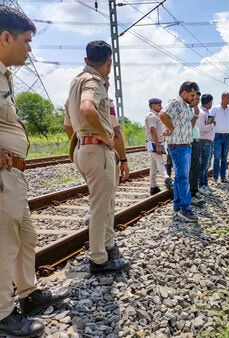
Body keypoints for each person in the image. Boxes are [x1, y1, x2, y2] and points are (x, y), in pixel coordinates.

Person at [0, 6, 70, 336]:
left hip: (12, 176)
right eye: (27, 41)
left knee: (24, 237)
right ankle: (3, 316)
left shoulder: (3, 74)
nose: (29, 48)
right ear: (5, 37)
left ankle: (28, 294)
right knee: (4, 245)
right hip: (2, 177)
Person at [66, 40, 131, 274]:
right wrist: (103, 134)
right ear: (109, 62)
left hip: (83, 149)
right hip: (96, 149)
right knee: (100, 207)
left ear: (86, 60)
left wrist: (81, 141)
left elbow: (67, 124)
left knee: (103, 203)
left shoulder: (75, 83)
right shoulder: (94, 82)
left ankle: (108, 245)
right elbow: (87, 108)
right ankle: (98, 259)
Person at [159, 81, 200, 222]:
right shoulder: (176, 102)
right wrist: (170, 128)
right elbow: (163, 114)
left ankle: (177, 205)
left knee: (179, 178)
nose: (194, 98)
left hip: (184, 146)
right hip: (179, 146)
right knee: (183, 178)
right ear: (184, 93)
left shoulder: (184, 105)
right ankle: (185, 209)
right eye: (192, 95)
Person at [144, 98, 172, 195]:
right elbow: (153, 131)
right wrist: (157, 145)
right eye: (159, 105)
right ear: (153, 105)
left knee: (154, 166)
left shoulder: (157, 116)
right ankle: (167, 179)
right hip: (152, 143)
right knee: (160, 161)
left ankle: (153, 187)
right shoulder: (151, 116)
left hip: (156, 142)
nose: (161, 106)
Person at [211, 92, 229, 183]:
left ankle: (223, 177)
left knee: (225, 158)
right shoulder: (215, 108)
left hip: (227, 136)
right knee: (217, 157)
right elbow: (210, 121)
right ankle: (215, 177)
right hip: (217, 136)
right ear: (223, 98)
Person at [187, 93, 205, 207]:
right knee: (192, 168)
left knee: (196, 167)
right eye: (197, 99)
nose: (198, 102)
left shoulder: (191, 110)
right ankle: (191, 194)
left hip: (195, 141)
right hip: (191, 142)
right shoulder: (187, 111)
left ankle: (194, 190)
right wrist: (196, 115)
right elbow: (189, 127)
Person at [197, 94, 216, 195]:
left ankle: (205, 184)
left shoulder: (206, 112)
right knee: (203, 165)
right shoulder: (202, 113)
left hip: (208, 141)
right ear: (208, 102)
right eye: (211, 102)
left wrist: (211, 124)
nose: (212, 104)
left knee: (207, 165)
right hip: (204, 141)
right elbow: (201, 128)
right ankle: (201, 185)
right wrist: (212, 125)